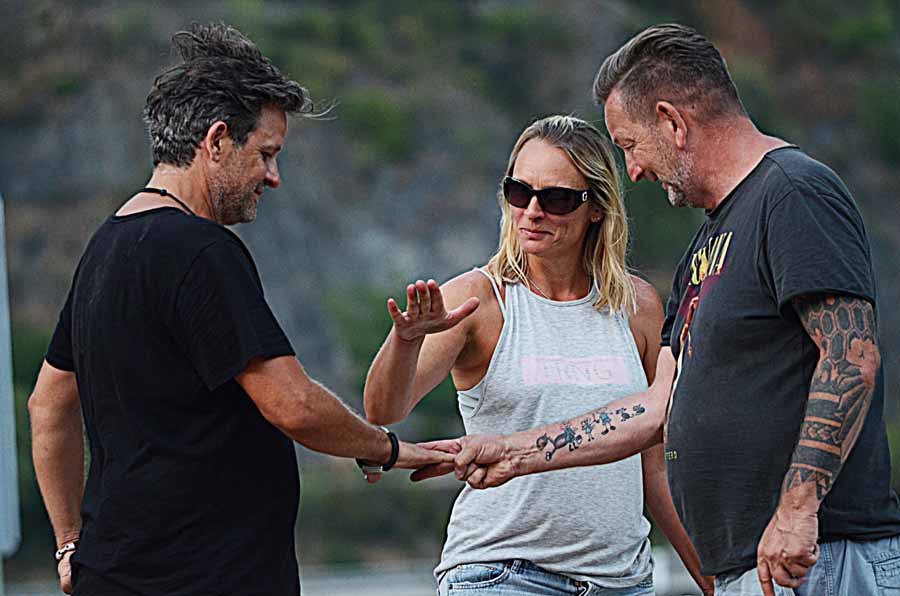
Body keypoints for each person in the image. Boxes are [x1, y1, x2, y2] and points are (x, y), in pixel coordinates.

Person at [437, 24, 900, 596]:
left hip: (817, 554)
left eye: (630, 145)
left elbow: (851, 358)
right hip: (755, 564)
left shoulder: (794, 193)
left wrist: (799, 507)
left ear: (672, 123)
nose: (632, 170)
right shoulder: (704, 250)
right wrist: (517, 452)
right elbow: (658, 406)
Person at [27, 23, 450, 596]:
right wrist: (387, 447)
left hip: (110, 576)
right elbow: (294, 405)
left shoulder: (106, 245)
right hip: (206, 577)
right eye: (266, 155)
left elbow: (48, 405)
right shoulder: (201, 250)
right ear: (217, 140)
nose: (273, 178)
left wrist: (69, 542)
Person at [365, 115, 709, 595]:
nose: (532, 212)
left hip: (623, 581)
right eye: (518, 192)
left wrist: (714, 582)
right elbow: (384, 410)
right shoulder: (478, 299)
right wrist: (405, 340)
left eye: (556, 199)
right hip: (503, 573)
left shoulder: (638, 306)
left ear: (596, 207)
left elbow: (656, 464)